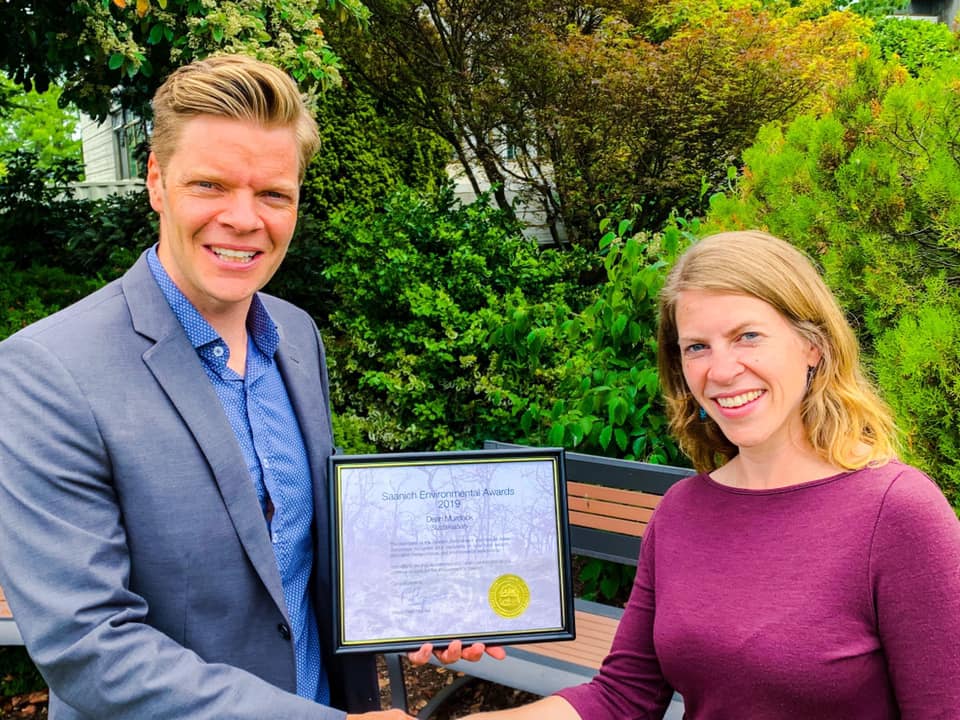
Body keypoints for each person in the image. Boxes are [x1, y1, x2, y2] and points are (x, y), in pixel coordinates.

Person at [0, 54, 500, 720]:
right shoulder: (47, 370)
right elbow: (90, 646)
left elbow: (298, 550)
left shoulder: (295, 335)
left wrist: (423, 601)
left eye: (272, 194)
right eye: (210, 185)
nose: (243, 219)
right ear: (156, 181)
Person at [463, 231, 960, 719]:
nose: (721, 371)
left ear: (814, 346)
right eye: (697, 347)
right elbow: (622, 697)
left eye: (747, 336)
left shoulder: (898, 512)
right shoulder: (682, 510)